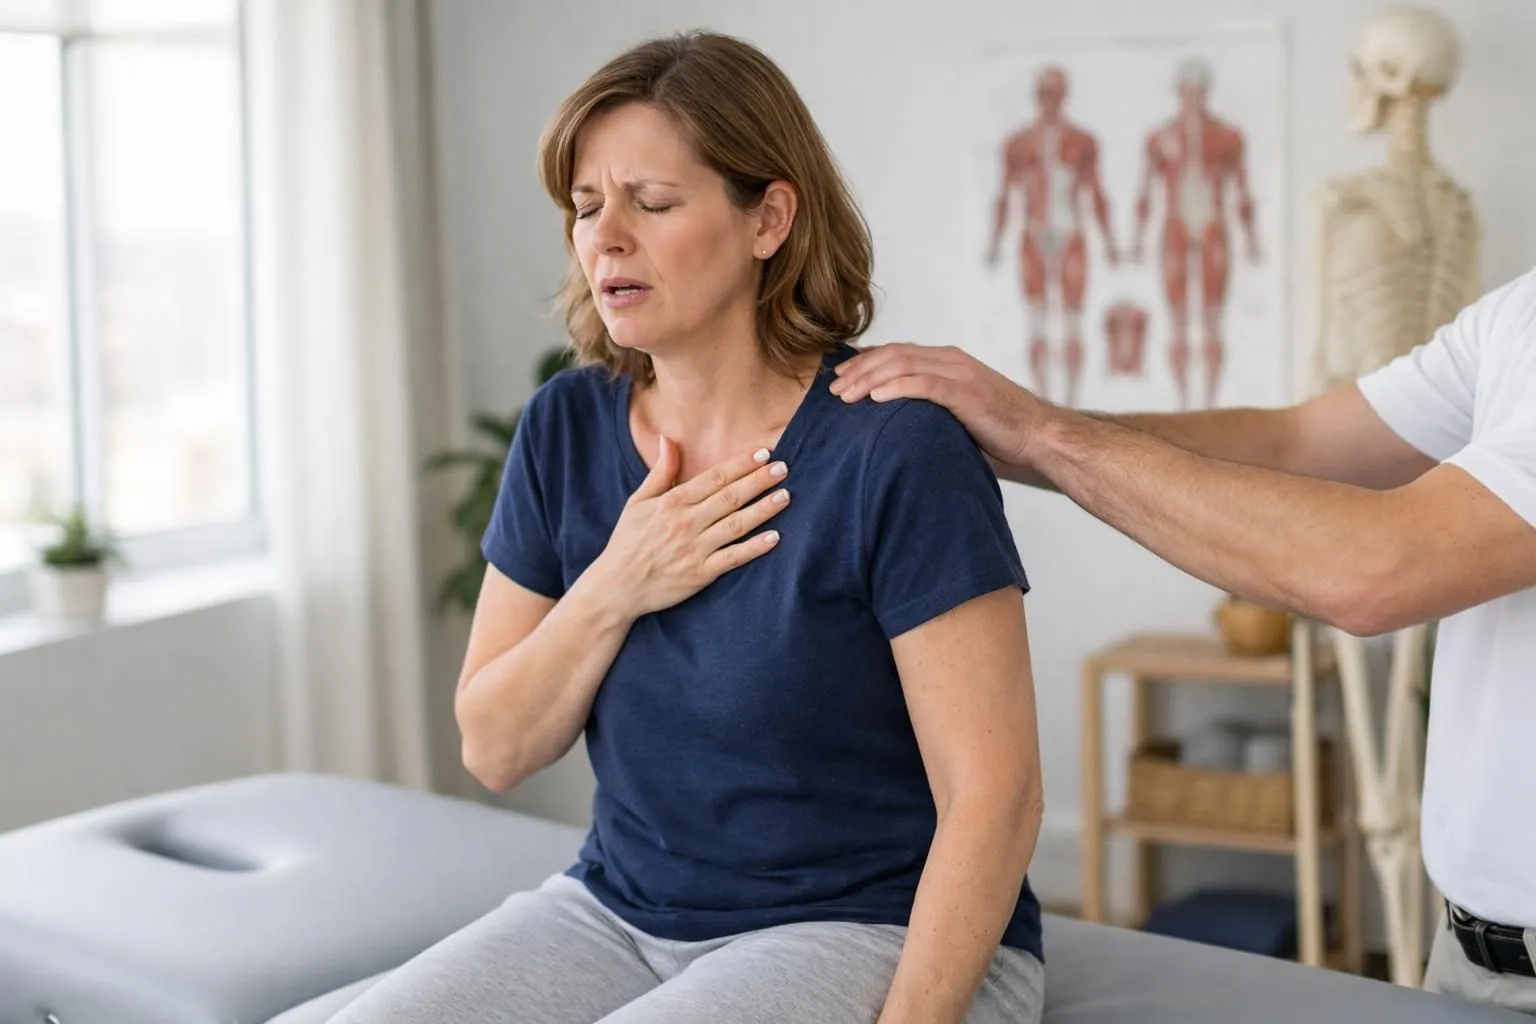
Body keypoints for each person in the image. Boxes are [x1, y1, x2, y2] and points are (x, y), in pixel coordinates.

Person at [327, 30, 1045, 1024]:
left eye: (652, 204)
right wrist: (619, 580)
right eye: (586, 209)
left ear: (769, 219)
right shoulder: (566, 428)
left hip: (864, 924)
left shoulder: (896, 449)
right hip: (615, 915)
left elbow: (996, 796)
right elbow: (493, 743)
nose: (605, 238)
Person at [828, 269, 1536, 1015]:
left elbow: (1376, 570)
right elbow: (1291, 441)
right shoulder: (1517, 314)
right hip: (1467, 954)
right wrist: (1010, 430)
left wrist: (1044, 433)